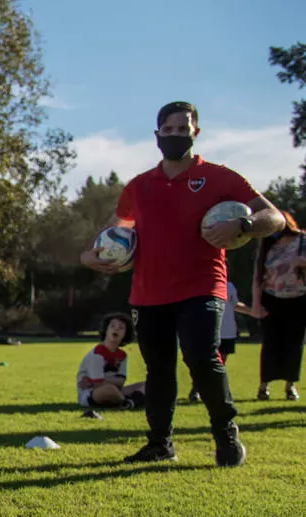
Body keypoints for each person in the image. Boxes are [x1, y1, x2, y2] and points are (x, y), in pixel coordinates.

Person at [82, 101, 284, 466]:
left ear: (196, 132)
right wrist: (89, 256)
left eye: (183, 129)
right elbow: (117, 232)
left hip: (201, 287)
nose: (176, 135)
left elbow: (275, 217)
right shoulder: (139, 186)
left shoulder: (222, 178)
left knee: (202, 359)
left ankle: (226, 435)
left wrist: (245, 225)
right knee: (159, 369)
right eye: (169, 130)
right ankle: (160, 444)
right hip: (148, 292)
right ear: (157, 135)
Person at [251, 210, 306, 401]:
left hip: (298, 299)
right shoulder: (267, 245)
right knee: (270, 344)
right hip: (271, 299)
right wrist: (256, 304)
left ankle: (290, 386)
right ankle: (263, 386)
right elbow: (258, 276)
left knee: (294, 344)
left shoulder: (302, 240)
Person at [188, 278, 250, 402]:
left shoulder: (230, 286)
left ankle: (216, 392)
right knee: (204, 361)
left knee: (220, 363)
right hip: (208, 330)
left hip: (227, 331)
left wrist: (252, 311)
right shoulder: (203, 284)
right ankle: (196, 388)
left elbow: (234, 304)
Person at [77, 313, 147, 411]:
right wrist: (108, 380)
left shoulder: (122, 355)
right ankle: (131, 401)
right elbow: (98, 384)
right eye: (112, 326)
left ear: (125, 334)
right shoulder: (97, 353)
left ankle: (130, 402)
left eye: (121, 328)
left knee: (147, 385)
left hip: (115, 390)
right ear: (106, 330)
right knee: (109, 389)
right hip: (91, 393)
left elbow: (121, 381)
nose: (116, 329)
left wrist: (100, 379)